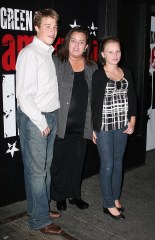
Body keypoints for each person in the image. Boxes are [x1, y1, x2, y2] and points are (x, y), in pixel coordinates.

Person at [16, 9, 64, 235]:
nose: (52, 31)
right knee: (37, 172)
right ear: (36, 27)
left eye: (55, 26)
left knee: (42, 170)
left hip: (49, 116)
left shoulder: (46, 53)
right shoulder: (30, 54)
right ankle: (39, 220)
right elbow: (24, 97)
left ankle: (39, 208)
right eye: (47, 26)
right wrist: (41, 121)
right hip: (37, 119)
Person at [51, 27, 98, 211]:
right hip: (60, 123)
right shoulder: (56, 62)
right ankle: (60, 196)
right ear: (67, 42)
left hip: (82, 124)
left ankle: (75, 196)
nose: (77, 45)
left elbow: (96, 98)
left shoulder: (92, 67)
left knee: (77, 162)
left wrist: (95, 126)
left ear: (86, 46)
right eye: (73, 41)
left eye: (81, 42)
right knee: (59, 163)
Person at [92, 37, 137, 220]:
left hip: (122, 126)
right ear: (103, 54)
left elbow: (133, 100)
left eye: (117, 51)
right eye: (110, 51)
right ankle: (108, 203)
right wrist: (93, 129)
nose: (115, 55)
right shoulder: (98, 74)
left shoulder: (126, 72)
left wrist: (132, 122)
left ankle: (116, 197)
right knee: (108, 164)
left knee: (118, 164)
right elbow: (94, 103)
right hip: (104, 126)